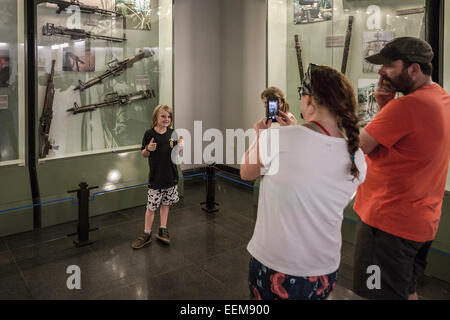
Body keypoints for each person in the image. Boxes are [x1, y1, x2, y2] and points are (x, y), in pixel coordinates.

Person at [241, 64, 367, 300]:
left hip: (276, 264)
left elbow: (246, 173)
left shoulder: (280, 138)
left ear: (308, 100)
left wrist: (260, 135)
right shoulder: (356, 156)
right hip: (324, 268)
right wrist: (296, 131)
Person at [353, 37, 450, 300]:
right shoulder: (441, 98)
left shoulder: (406, 106)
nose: (381, 71)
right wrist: (386, 106)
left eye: (389, 66)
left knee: (374, 293)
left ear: (414, 69)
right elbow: (408, 140)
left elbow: (359, 145)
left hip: (388, 225)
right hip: (420, 222)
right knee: (406, 290)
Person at [131, 104, 183, 249]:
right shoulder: (149, 134)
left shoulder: (173, 133)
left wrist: (180, 148)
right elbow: (143, 153)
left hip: (171, 177)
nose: (167, 119)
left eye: (169, 116)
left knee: (166, 205)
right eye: (163, 116)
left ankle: (162, 229)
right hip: (156, 178)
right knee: (151, 207)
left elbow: (175, 153)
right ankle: (146, 233)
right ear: (156, 117)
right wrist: (148, 148)